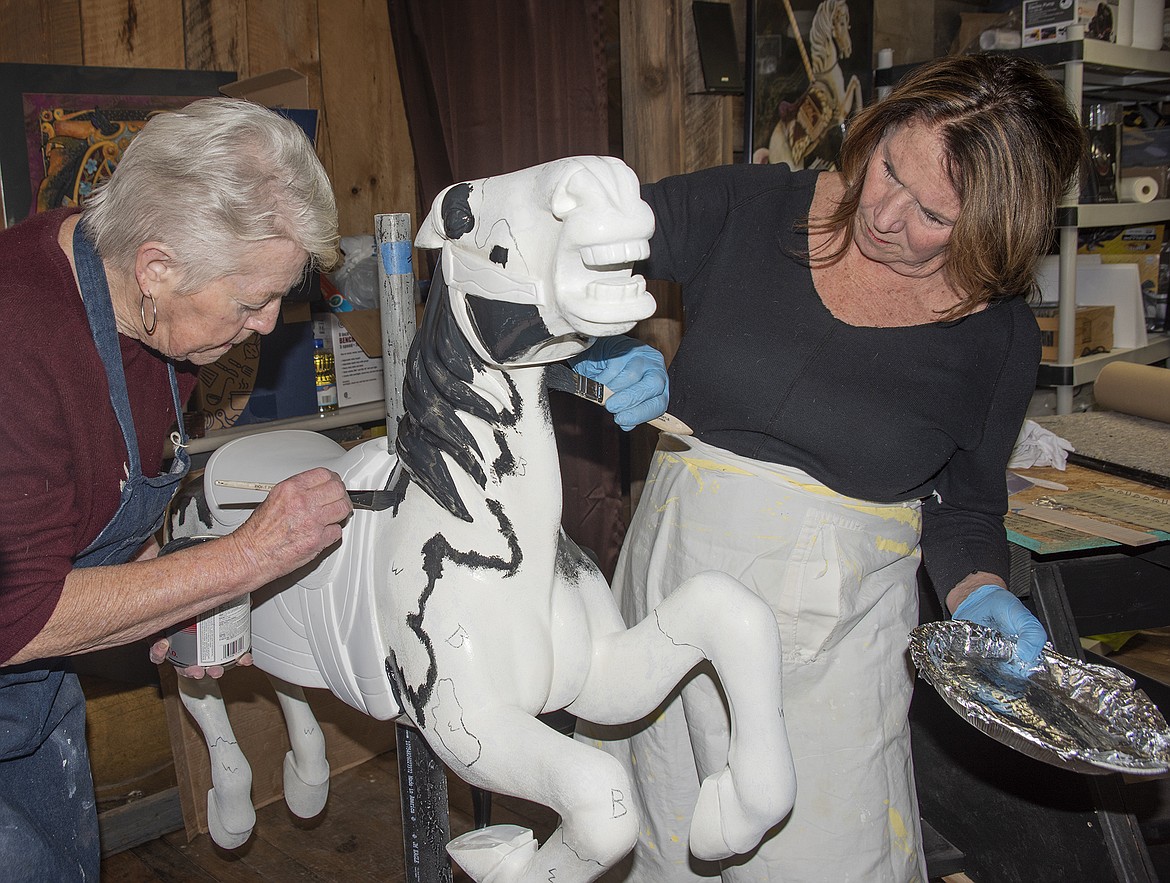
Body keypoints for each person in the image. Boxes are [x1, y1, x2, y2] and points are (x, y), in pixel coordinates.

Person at [0, 97, 669, 881]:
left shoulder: (142, 294)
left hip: (35, 700)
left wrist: (161, 587)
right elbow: (20, 615)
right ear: (158, 266)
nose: (266, 324)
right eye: (252, 301)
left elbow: (96, 489)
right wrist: (243, 559)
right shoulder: (21, 348)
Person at [589, 54, 1084, 882]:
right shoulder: (750, 208)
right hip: (667, 619)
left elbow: (964, 508)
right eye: (889, 163)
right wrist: (596, 339)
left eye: (933, 213)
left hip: (833, 661)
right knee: (661, 844)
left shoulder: (997, 341)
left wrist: (979, 589)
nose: (886, 213)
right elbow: (559, 246)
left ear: (993, 229)